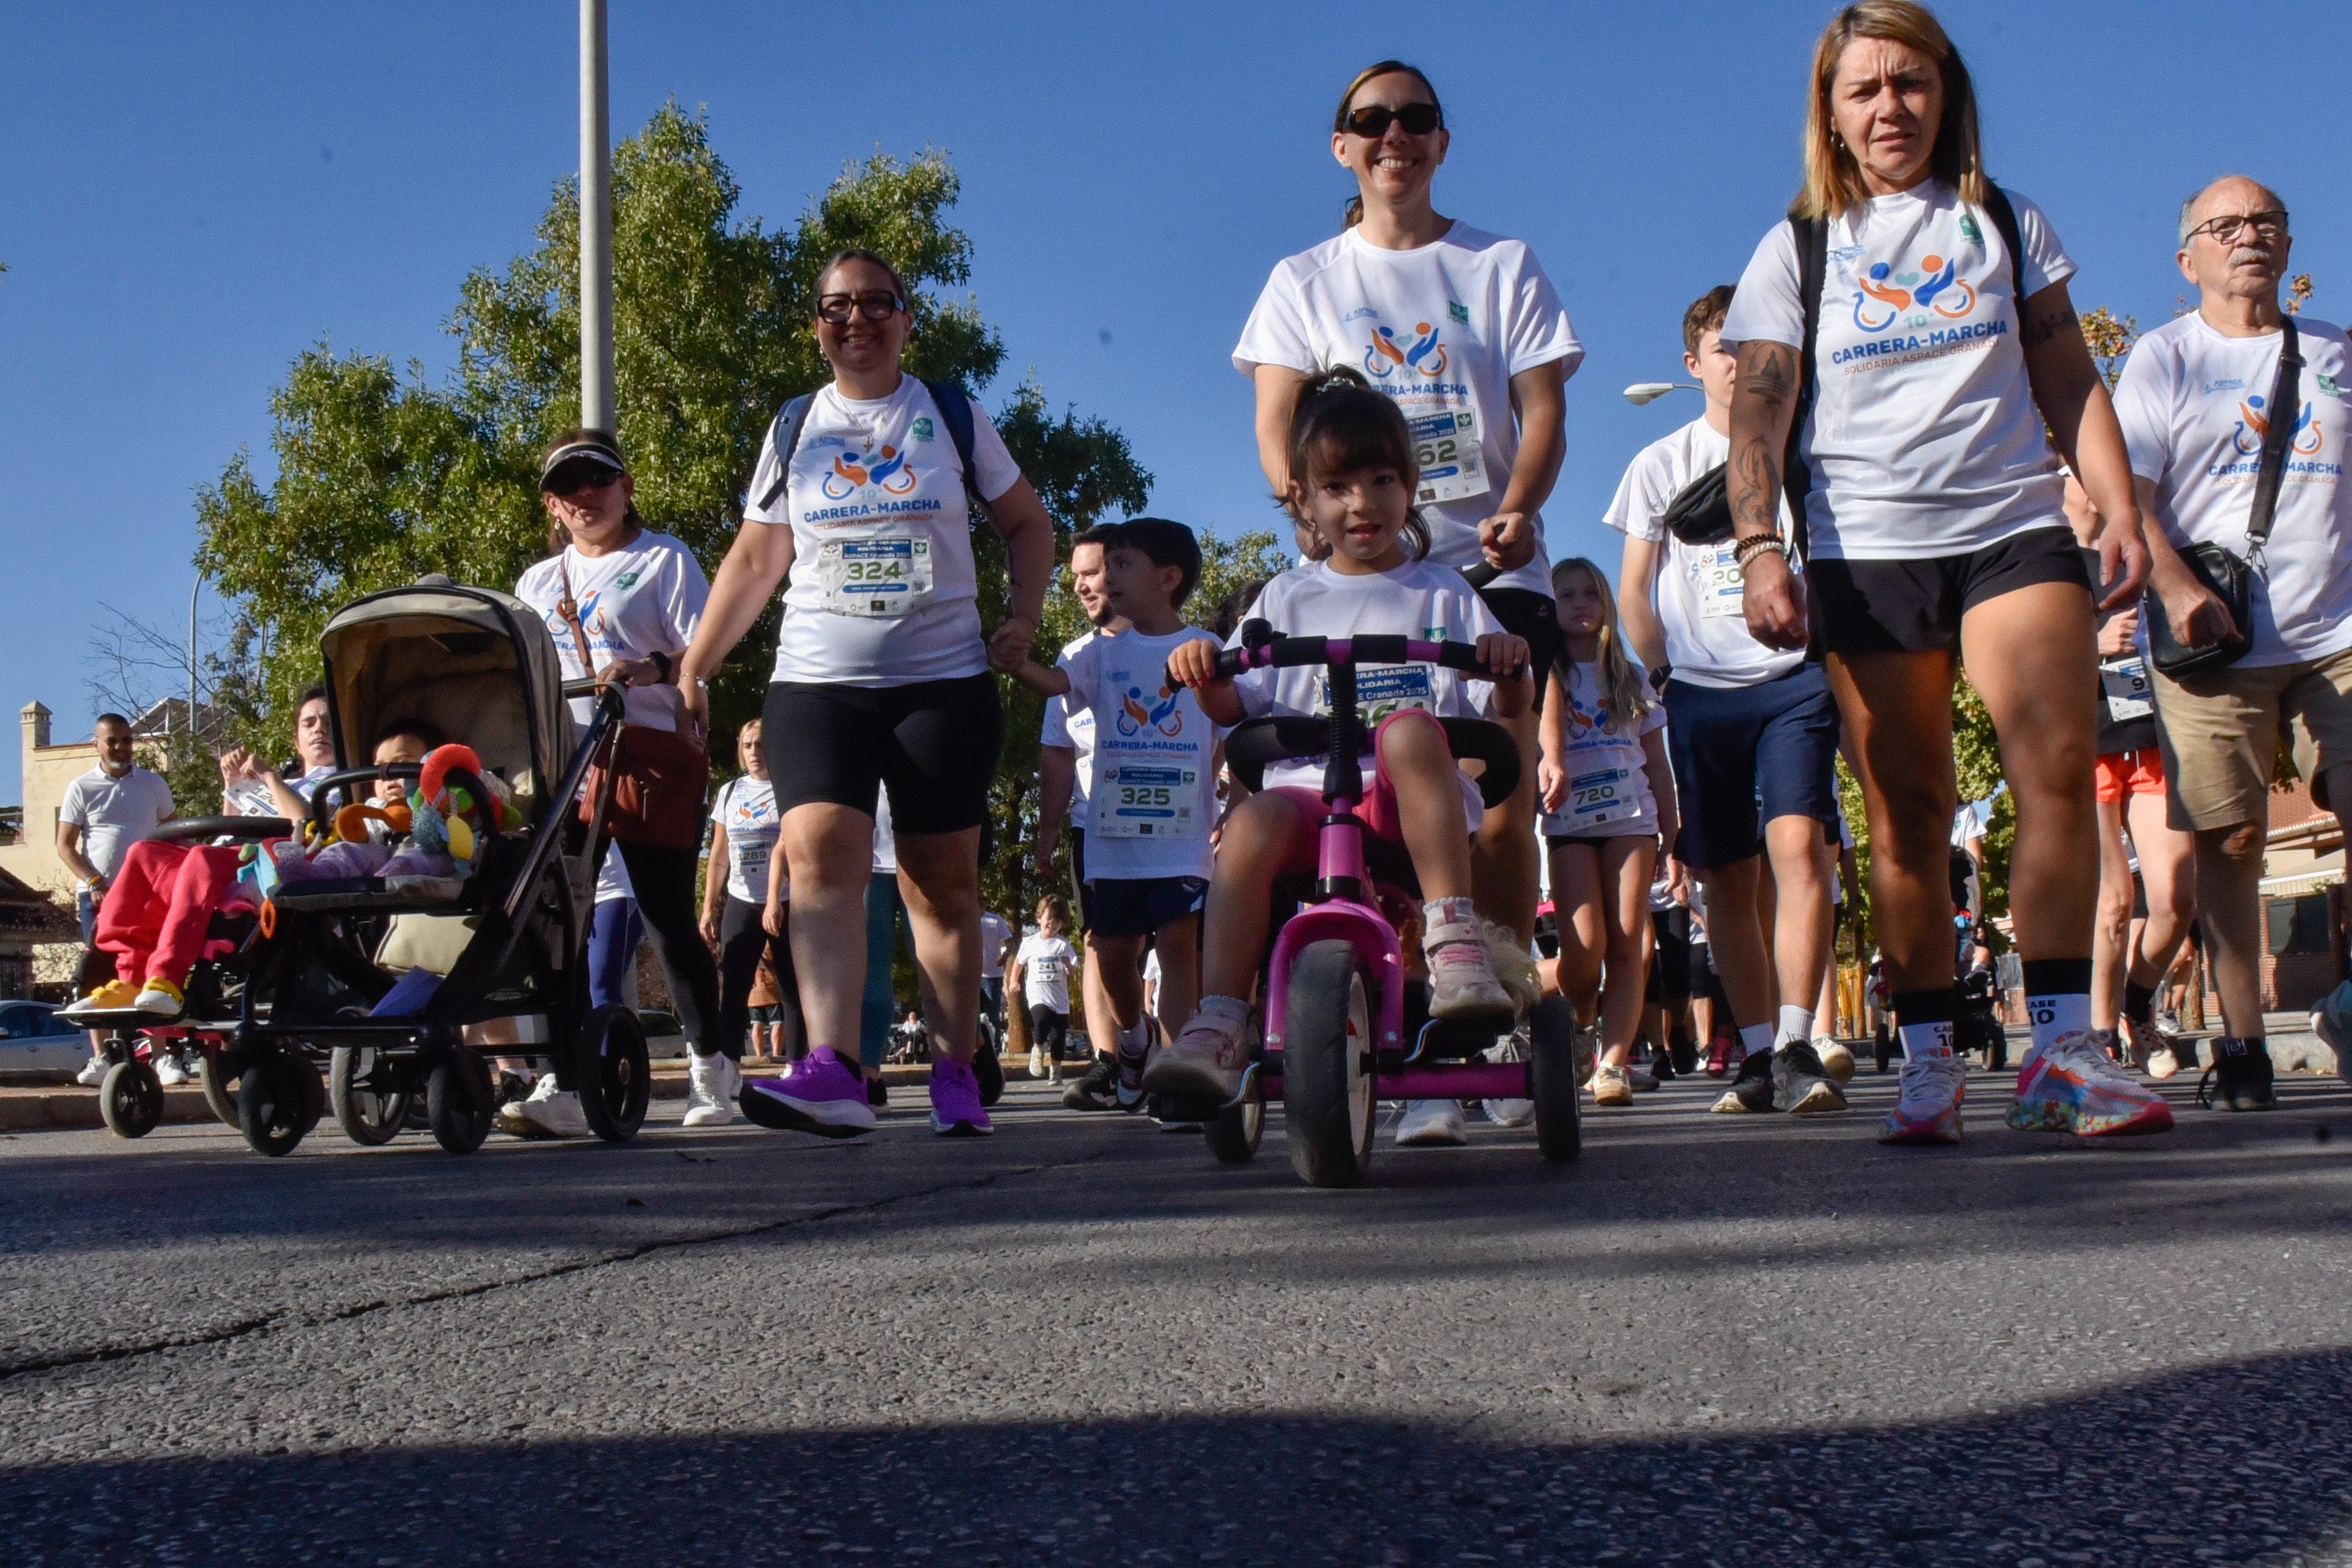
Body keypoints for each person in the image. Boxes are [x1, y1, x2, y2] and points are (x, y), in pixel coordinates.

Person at [1720, 0, 2171, 1144]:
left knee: (2057, 764)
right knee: (1907, 810)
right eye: (1865, 89)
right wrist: (1760, 547)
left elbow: (2068, 372)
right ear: (1830, 109)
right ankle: (1928, 1057)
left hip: (2013, 525)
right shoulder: (1798, 248)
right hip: (1864, 550)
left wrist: (2117, 506)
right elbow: (1760, 415)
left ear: (1949, 92)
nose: (1890, 108)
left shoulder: (2005, 222)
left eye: (1911, 84)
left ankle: (2065, 1048)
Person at [678, 249, 1056, 1138]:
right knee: (816, 862)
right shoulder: (793, 426)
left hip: (942, 683)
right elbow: (755, 557)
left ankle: (956, 1070)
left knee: (939, 889)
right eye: (836, 306)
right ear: (816, 327)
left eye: (876, 303)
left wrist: (1022, 618)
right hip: (818, 682)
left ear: (905, 318)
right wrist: (696, 663)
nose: (857, 319)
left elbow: (1027, 524)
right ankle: (834, 1069)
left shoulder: (951, 414)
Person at [1234, 60, 1580, 954]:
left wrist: (1519, 508)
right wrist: (1316, 526)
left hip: (1484, 571)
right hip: (1363, 577)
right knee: (1348, 794)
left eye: (1416, 118)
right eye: (1373, 119)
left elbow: (1542, 411)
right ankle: (1381, 992)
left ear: (1440, 142)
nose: (1396, 135)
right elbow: (1278, 428)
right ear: (1342, 145)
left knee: (1493, 803)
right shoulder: (1302, 279)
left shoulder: (1499, 265)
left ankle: (1488, 998)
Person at [1147, 370, 1530, 1105]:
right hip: (1310, 805)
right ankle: (1222, 1016)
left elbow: (1501, 700)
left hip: (1407, 810)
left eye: (1383, 479)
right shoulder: (1286, 596)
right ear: (1304, 499)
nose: (1364, 503)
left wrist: (1510, 665)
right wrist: (1204, 673)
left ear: (1412, 486)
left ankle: (1454, 940)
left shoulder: (1444, 593)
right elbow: (1237, 706)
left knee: (1410, 731)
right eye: (1339, 487)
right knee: (1250, 821)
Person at [2116, 176, 2352, 1110]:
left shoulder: (2334, 353)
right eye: (2223, 226)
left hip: (2334, 629)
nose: (2245, 237)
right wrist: (2171, 588)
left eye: (2262, 222)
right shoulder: (2163, 358)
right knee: (2233, 838)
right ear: (2188, 259)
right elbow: (2125, 496)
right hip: (2210, 641)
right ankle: (2242, 1048)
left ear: (2287, 246)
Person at [1610, 285, 1848, 1117]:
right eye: (1724, 349)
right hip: (1700, 695)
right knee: (1727, 881)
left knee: (1797, 849)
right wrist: (1663, 676)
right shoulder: (1658, 464)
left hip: (1794, 683)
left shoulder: (1806, 449)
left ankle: (1795, 1042)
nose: (1741, 364)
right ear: (1694, 363)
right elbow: (1634, 589)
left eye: (1755, 350)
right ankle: (1754, 1051)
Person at [511, 428, 721, 1139]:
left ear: (626, 487)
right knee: (556, 925)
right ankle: (564, 1078)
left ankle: (711, 1063)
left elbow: (706, 649)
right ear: (552, 506)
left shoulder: (664, 559)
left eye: (599, 479)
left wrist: (651, 668)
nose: (586, 497)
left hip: (648, 755)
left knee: (665, 920)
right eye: (569, 487)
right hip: (567, 768)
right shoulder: (536, 585)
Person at [1014, 519, 1220, 1114]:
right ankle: (1134, 1043)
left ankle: (1183, 1075)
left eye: (1117, 566)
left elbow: (1229, 723)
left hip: (1181, 836)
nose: (1102, 580)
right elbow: (1052, 686)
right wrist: (1014, 662)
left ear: (1167, 578)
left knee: (1178, 949)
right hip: (1110, 835)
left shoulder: (1208, 648)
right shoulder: (1093, 653)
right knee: (1110, 950)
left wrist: (1224, 799)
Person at [2061, 472, 2198, 1080]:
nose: (2088, 487)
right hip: (2085, 745)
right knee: (2113, 902)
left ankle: (2138, 1002)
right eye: (2073, 475)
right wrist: (2091, 646)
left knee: (2175, 900)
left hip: (2150, 736)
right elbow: (2017, 664)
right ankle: (2100, 1037)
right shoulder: (2047, 565)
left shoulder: (2136, 551)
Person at [1537, 559, 1683, 1110]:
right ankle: (1577, 1018)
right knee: (1584, 949)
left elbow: (1658, 765)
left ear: (1605, 604)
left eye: (1590, 594)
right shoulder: (1542, 675)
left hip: (1632, 822)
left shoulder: (1630, 676)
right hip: (1570, 824)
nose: (1579, 604)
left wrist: (1674, 837)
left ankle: (1613, 1064)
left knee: (1628, 943)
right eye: (1566, 595)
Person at [1031, 528, 1136, 1106]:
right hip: (1094, 827)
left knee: (1171, 943)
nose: (1079, 586)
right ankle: (1108, 1062)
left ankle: (1168, 1059)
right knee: (1099, 942)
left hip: (1171, 827)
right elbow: (1057, 750)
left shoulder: (1181, 646)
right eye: (1074, 576)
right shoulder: (1071, 657)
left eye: (1090, 573)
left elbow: (1218, 734)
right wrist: (1048, 833)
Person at [60, 714, 175, 1086]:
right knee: (101, 973)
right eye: (113, 741)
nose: (121, 748)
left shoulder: (154, 785)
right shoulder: (81, 788)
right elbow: (64, 846)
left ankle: (161, 1056)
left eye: (127, 740)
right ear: (97, 743)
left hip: (148, 896)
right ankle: (103, 1058)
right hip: (99, 898)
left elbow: (174, 836)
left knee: (151, 968)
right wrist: (93, 879)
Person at [698, 718, 797, 1124]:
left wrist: (776, 899)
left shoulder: (789, 788)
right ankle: (730, 1069)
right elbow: (719, 853)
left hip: (788, 899)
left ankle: (798, 1065)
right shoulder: (730, 792)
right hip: (742, 898)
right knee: (735, 987)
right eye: (748, 744)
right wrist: (709, 906)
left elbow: (790, 846)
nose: (755, 751)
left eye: (761, 743)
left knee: (792, 986)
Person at [1012, 897, 1077, 1075]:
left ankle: (1055, 1070)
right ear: (1039, 918)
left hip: (1059, 999)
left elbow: (1072, 972)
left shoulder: (1063, 945)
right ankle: (1038, 1049)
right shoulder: (1030, 942)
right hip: (1037, 995)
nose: (1052, 924)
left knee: (1058, 1036)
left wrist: (1068, 964)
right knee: (1041, 1021)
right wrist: (1013, 981)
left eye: (1058, 921)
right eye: (1049, 919)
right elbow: (1019, 962)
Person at [978, 906, 1012, 1037]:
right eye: (978, 900)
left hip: (992, 976)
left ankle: (995, 1053)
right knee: (971, 1018)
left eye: (983, 900)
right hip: (970, 976)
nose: (982, 903)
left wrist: (1005, 956)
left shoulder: (995, 919)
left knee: (993, 1017)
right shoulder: (964, 917)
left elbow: (1010, 941)